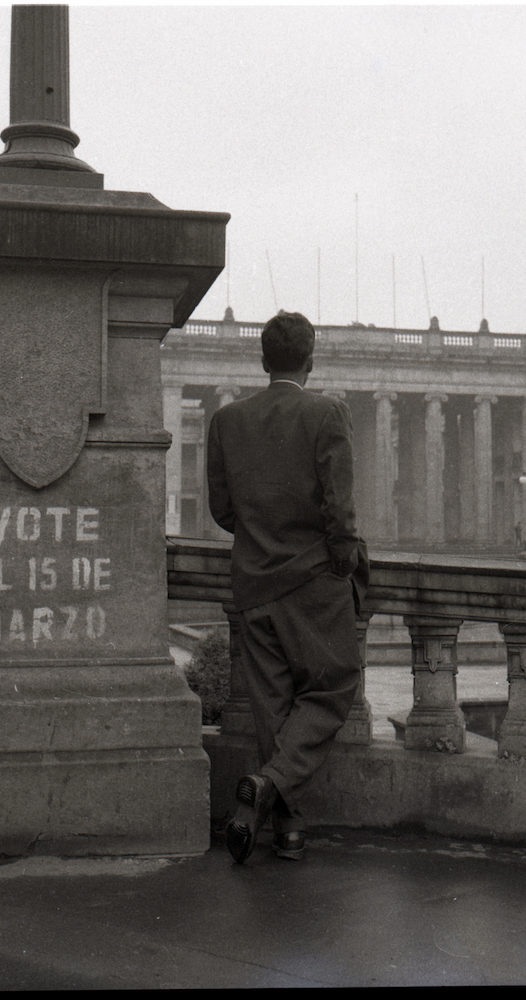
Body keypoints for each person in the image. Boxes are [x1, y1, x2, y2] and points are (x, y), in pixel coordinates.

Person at [207, 310, 368, 863]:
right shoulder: (328, 412)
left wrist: (261, 536)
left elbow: (222, 510)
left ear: (262, 360)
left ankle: (287, 829)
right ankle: (273, 787)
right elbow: (340, 509)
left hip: (253, 581)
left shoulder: (226, 422)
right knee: (333, 686)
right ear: (311, 358)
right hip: (313, 581)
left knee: (274, 707)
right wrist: (342, 559)